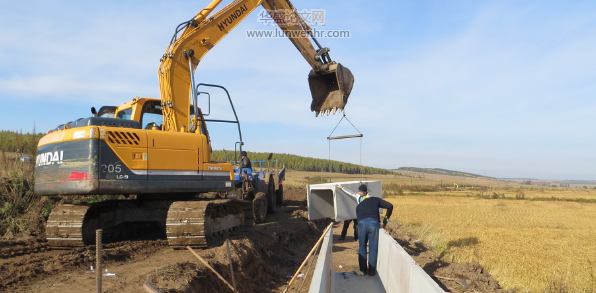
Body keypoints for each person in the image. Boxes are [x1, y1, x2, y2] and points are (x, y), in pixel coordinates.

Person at [337, 183, 393, 277]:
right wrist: (385, 220)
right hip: (374, 224)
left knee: (362, 247)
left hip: (362, 224)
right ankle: (371, 272)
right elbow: (390, 206)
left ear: (364, 194)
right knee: (373, 248)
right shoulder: (375, 199)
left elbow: (358, 221)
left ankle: (363, 270)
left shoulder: (359, 206)